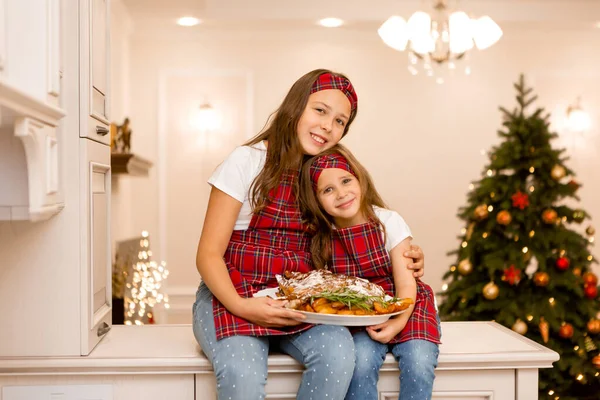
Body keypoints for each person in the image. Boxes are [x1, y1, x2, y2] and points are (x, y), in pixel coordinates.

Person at [193, 69, 426, 400]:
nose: (328, 126)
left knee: (339, 355)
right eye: (320, 110)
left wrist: (405, 256)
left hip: (300, 302)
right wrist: (243, 306)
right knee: (241, 372)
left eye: (340, 121)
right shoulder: (245, 161)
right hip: (232, 294)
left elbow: (369, 228)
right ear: (295, 106)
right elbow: (207, 254)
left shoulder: (323, 178)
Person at [299, 145, 441, 400]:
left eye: (345, 181)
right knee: (360, 364)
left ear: (359, 178)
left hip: (407, 306)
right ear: (315, 199)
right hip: (362, 316)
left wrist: (397, 322)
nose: (341, 194)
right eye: (328, 190)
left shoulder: (388, 222)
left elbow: (407, 286)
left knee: (418, 362)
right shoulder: (323, 238)